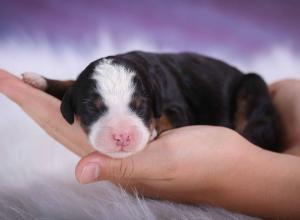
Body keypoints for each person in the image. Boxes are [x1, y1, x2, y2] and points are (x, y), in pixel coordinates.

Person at [0, 69, 299, 219]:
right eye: (95, 109)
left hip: (236, 99)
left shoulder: (163, 93)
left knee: (256, 115)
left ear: (152, 105)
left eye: (139, 109)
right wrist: (54, 86)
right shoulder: (131, 75)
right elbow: (86, 89)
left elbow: (171, 111)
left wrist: (251, 167)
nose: (120, 132)